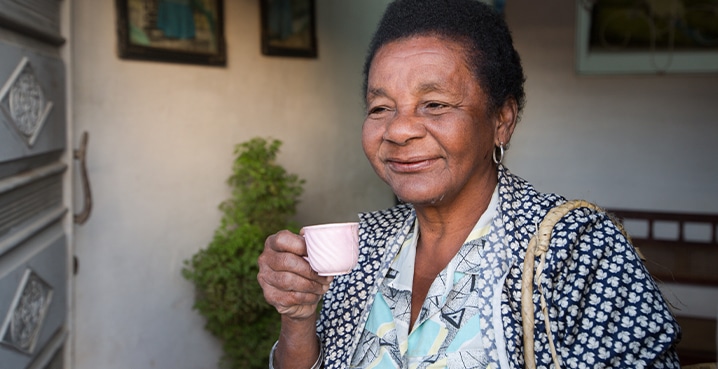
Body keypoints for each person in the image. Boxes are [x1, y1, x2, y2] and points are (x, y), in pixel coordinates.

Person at [257, 0, 681, 368]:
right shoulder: (363, 248)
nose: (399, 130)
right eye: (380, 107)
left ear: (502, 121)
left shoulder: (576, 250)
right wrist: (298, 316)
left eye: (435, 104)